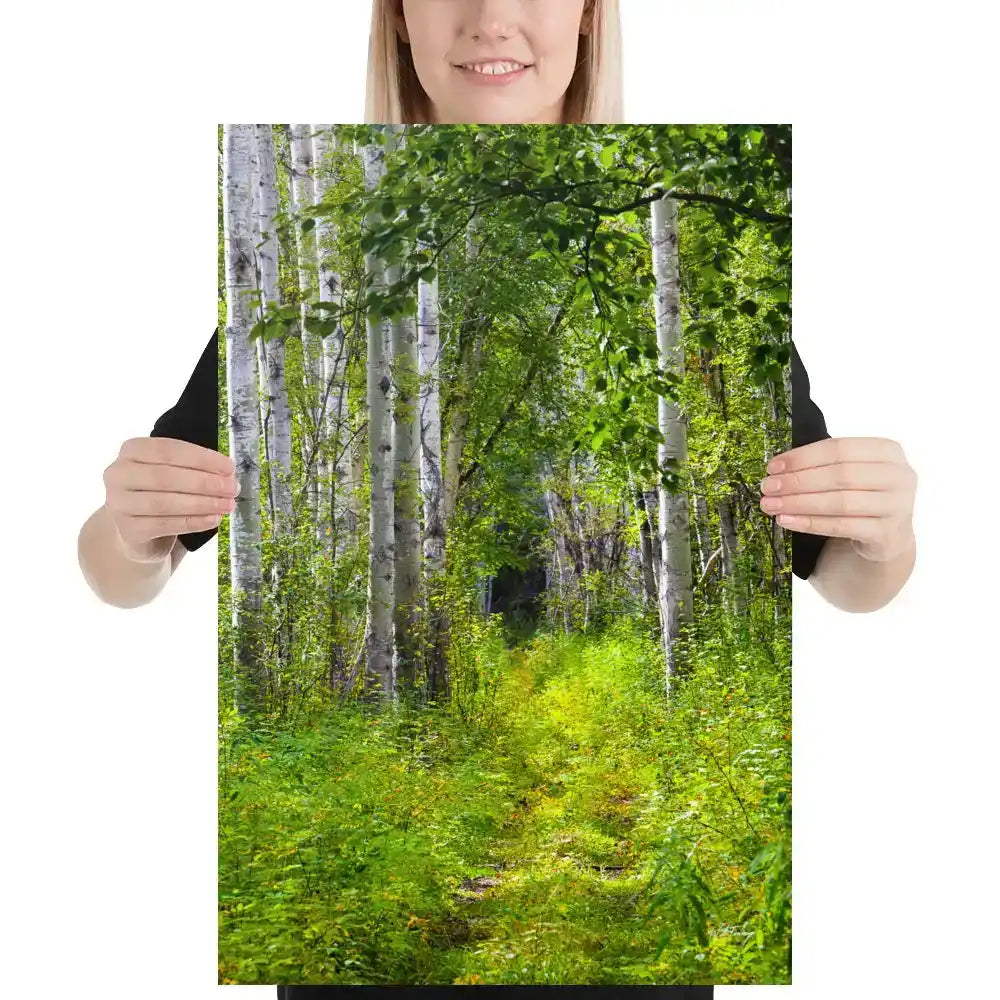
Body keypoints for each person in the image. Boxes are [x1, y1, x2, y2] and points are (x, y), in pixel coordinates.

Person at [77, 2, 917, 996]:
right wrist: (130, 529)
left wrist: (884, 529)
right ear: (396, 23)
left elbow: (846, 578)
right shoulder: (296, 285)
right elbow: (119, 572)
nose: (491, 19)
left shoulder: (706, 278)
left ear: (589, 20)